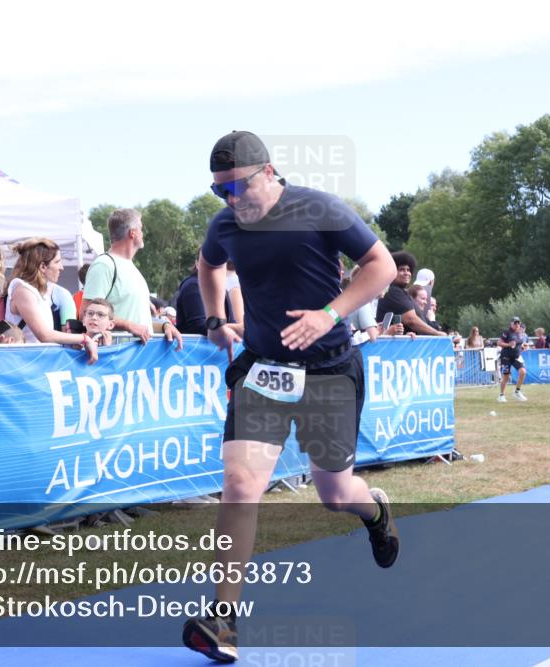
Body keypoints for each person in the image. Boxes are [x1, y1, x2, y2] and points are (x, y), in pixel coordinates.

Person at [183, 131, 399, 663]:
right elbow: (207, 266)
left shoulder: (319, 208)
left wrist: (330, 313)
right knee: (240, 484)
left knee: (334, 494)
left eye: (236, 187)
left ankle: (375, 512)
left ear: (269, 172)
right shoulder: (226, 225)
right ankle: (223, 621)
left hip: (328, 369)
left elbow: (382, 267)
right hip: (263, 368)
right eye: (219, 192)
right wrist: (215, 321)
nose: (230, 200)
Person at [81, 208, 182, 349]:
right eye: (141, 228)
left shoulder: (131, 267)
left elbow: (138, 321)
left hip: (135, 360)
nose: (143, 233)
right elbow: (86, 313)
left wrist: (164, 325)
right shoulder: (104, 265)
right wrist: (129, 326)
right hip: (117, 358)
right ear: (132, 233)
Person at [4, 238, 98, 362]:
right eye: (57, 262)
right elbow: (44, 335)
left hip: (36, 361)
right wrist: (84, 339)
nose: (62, 267)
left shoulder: (39, 289)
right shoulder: (23, 290)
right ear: (43, 266)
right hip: (24, 363)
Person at [375, 251, 445, 336]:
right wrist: (437, 334)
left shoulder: (402, 292)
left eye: (408, 270)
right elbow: (411, 320)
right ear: (392, 271)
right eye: (401, 270)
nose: (406, 273)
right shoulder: (393, 291)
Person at [496, 317, 529, 402]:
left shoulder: (520, 333)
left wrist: (523, 347)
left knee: (523, 372)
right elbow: (499, 343)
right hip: (506, 357)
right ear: (511, 324)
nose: (517, 324)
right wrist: (508, 344)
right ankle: (501, 395)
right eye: (515, 323)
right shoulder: (507, 332)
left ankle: (517, 392)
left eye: (518, 323)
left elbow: (518, 344)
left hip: (516, 357)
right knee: (506, 377)